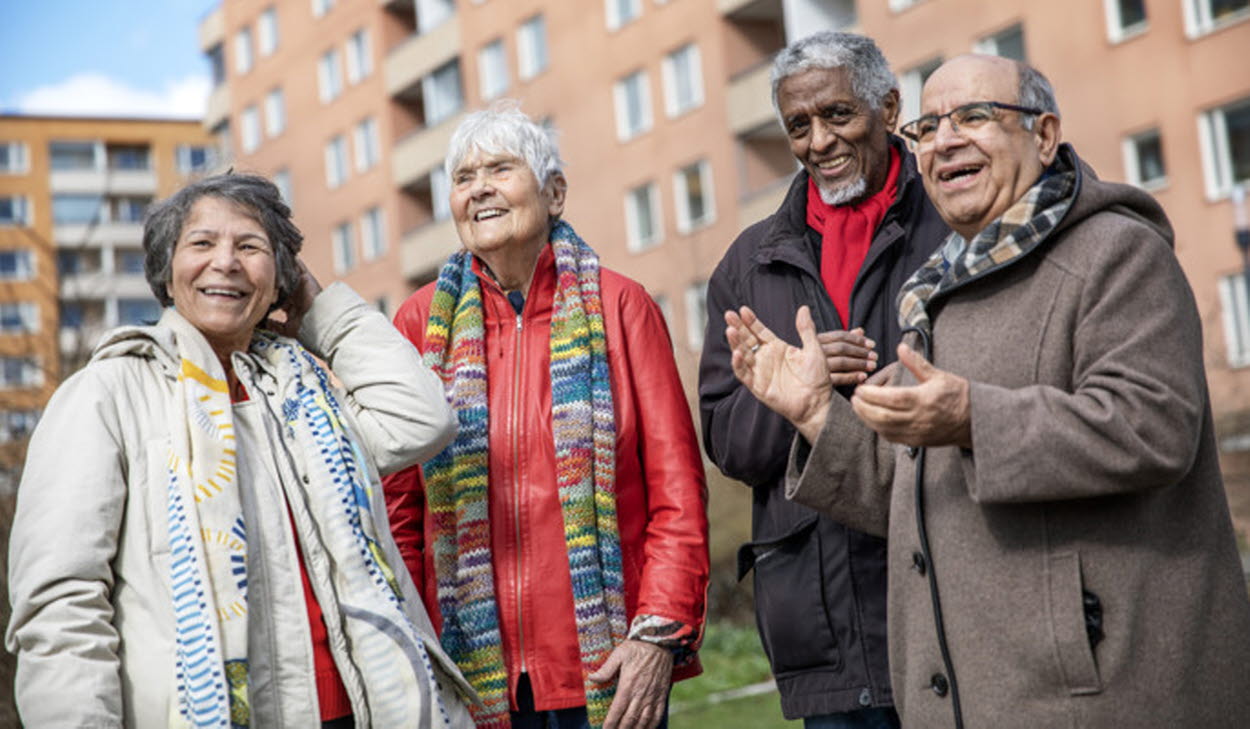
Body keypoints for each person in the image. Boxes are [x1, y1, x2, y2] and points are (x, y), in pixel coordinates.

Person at [725, 54, 1250, 728]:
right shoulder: (940, 289)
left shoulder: (1117, 253)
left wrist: (974, 418)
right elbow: (912, 490)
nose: (945, 140)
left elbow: (1151, 427)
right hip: (972, 695)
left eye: (974, 116)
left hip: (1102, 693)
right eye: (930, 127)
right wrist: (819, 413)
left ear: (1044, 134)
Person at [5, 173, 476, 728]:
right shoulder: (105, 395)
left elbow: (422, 418)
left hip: (361, 712)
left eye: (250, 247)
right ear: (166, 268)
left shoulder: (304, 398)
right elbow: (63, 609)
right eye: (201, 243)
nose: (225, 262)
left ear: (281, 278)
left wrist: (319, 312)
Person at [383, 104, 709, 729]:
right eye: (462, 177)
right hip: (467, 672)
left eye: (500, 169)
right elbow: (400, 513)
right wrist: (407, 646)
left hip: (608, 665)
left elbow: (677, 492)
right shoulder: (419, 326)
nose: (478, 188)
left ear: (554, 191)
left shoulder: (622, 307)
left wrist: (657, 637)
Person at [698, 31, 945, 728]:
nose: (818, 140)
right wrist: (795, 399)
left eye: (838, 114)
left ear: (890, 106)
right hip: (825, 630)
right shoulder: (748, 266)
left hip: (948, 603)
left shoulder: (954, 224)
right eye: (798, 125)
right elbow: (727, 441)